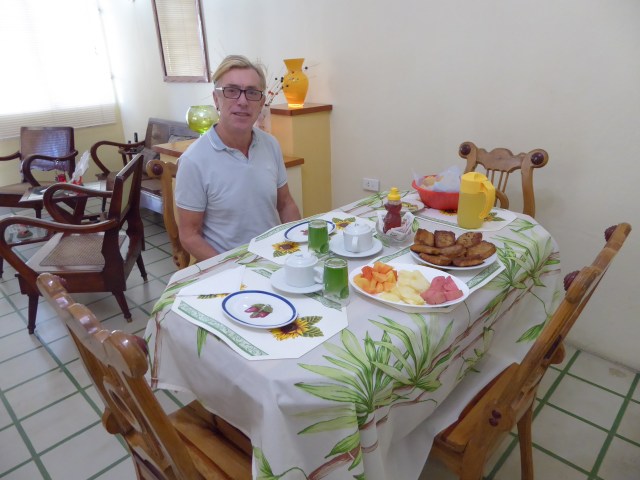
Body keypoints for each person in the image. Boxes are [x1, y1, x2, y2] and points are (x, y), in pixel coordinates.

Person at [175, 55, 301, 261]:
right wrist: (232, 267)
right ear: (216, 99)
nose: (242, 101)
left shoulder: (271, 144)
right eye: (232, 91)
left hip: (275, 256)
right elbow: (189, 236)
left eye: (252, 92)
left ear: (261, 102)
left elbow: (285, 203)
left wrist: (299, 246)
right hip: (227, 265)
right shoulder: (193, 161)